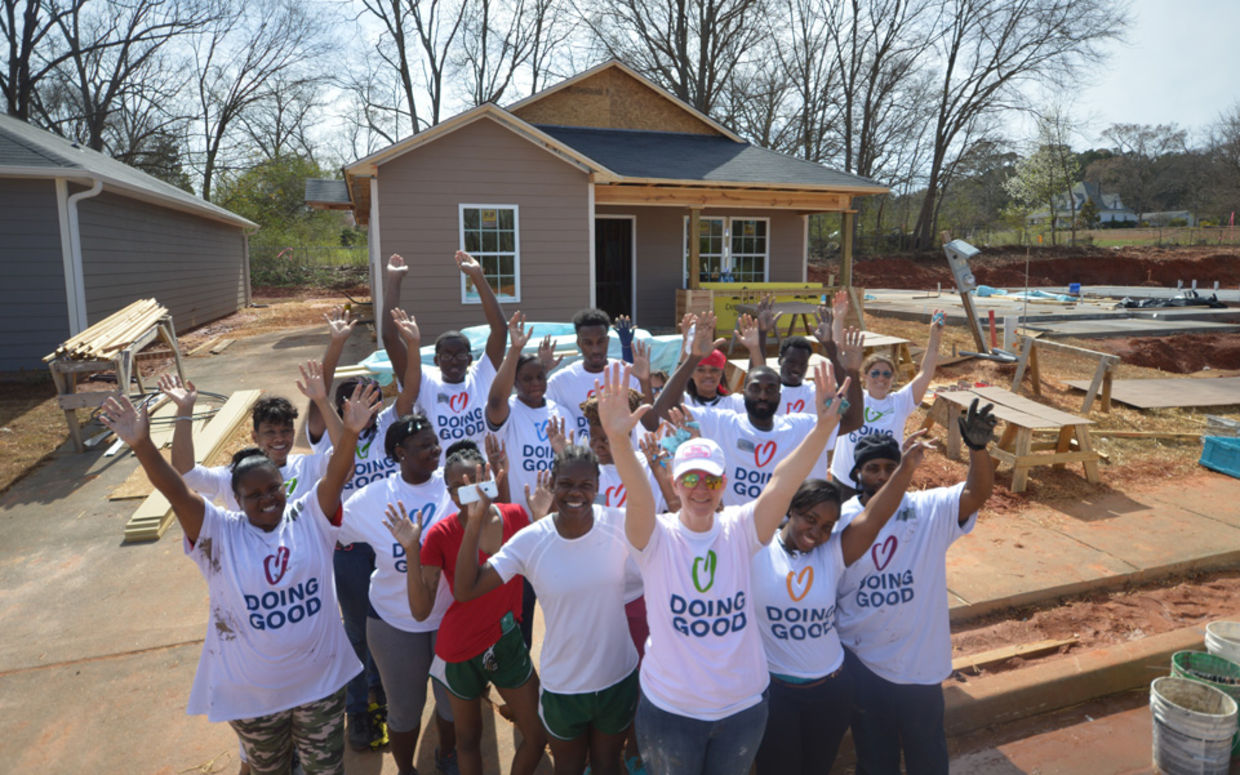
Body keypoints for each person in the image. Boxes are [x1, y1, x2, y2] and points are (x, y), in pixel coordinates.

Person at [98, 381, 379, 775]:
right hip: (254, 699)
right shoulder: (219, 532)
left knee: (326, 770)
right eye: (254, 494)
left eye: (274, 488)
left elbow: (336, 474)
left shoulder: (309, 517)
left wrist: (349, 432)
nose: (268, 499)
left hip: (321, 686)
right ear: (237, 498)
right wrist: (142, 445)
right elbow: (178, 490)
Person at [600, 355, 852, 775]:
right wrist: (618, 441)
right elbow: (640, 497)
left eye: (712, 480)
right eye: (691, 479)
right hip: (672, 711)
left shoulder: (740, 529)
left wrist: (823, 429)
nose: (701, 489)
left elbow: (781, 483)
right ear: (675, 483)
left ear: (724, 485)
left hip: (742, 710)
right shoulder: (656, 538)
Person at [750, 430, 936, 775]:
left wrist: (906, 469)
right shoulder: (756, 551)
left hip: (831, 691)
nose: (816, 532)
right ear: (791, 510)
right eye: (810, 519)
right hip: (776, 694)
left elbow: (875, 516)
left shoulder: (833, 553)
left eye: (827, 526)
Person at [454, 442, 642, 775]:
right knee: (568, 767)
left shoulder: (621, 525)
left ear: (598, 486)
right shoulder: (531, 540)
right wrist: (475, 519)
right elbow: (466, 590)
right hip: (563, 687)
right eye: (566, 483)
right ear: (552, 484)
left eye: (585, 485)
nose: (576, 493)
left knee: (607, 764)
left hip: (617, 678)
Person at [836, 401, 997, 775]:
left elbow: (976, 494)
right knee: (875, 761)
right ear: (857, 473)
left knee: (928, 758)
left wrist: (978, 450)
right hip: (863, 664)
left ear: (903, 469)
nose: (882, 475)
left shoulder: (928, 509)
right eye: (872, 468)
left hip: (920, 668)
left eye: (890, 467)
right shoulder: (840, 522)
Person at [396, 442, 549, 775]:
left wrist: (541, 519)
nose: (468, 493)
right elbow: (420, 611)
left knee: (538, 734)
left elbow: (544, 566)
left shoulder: (516, 516)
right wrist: (411, 550)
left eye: (476, 482)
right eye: (459, 488)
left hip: (505, 640)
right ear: (450, 494)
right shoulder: (440, 535)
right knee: (467, 740)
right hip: (459, 649)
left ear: (489, 479)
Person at [312, 308, 423, 752]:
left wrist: (412, 345)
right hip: (352, 550)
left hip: (393, 545)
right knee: (357, 631)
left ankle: (381, 689)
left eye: (372, 397)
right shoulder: (333, 437)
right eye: (354, 400)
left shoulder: (389, 431)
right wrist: (336, 344)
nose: (365, 406)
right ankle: (358, 709)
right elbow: (319, 392)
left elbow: (410, 388)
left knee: (390, 623)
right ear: (341, 408)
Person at [340, 411, 460, 775]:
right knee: (405, 710)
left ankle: (448, 755)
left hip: (450, 617)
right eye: (424, 446)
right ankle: (406, 769)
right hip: (393, 621)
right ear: (399, 453)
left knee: (452, 705)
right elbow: (332, 531)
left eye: (435, 443)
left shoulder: (455, 485)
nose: (435, 450)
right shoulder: (373, 498)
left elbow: (489, 514)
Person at [647, 314, 864, 507]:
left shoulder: (798, 426)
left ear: (780, 395)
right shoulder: (723, 423)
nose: (762, 395)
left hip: (780, 531)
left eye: (770, 389)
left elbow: (854, 421)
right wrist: (693, 358)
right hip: (734, 529)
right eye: (755, 388)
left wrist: (852, 372)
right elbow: (663, 408)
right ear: (743, 393)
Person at [383, 252, 508, 455]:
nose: (454, 361)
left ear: (470, 359)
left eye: (460, 355)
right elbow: (389, 337)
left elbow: (500, 330)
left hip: (481, 470)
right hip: (440, 473)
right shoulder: (423, 379)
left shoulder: (481, 376)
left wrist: (477, 275)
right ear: (436, 360)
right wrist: (394, 279)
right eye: (446, 356)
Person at [162, 372, 331, 511]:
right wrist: (184, 410)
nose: (279, 438)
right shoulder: (233, 475)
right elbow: (187, 473)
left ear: (293, 434)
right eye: (270, 432)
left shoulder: (309, 466)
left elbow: (343, 460)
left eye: (285, 431)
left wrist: (322, 401)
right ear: (255, 437)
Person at [829, 309, 944, 500]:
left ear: (893, 378)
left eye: (886, 374)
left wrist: (935, 337)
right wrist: (838, 318)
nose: (880, 378)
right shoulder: (854, 396)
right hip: (845, 482)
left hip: (881, 484)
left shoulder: (900, 402)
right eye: (875, 373)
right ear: (864, 376)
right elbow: (837, 359)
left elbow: (925, 373)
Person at [546, 308, 645, 441]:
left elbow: (651, 423)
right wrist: (543, 369)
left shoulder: (628, 374)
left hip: (623, 454)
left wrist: (645, 381)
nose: (595, 350)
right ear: (579, 343)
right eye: (588, 343)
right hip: (579, 455)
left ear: (608, 340)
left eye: (600, 342)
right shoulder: (559, 382)